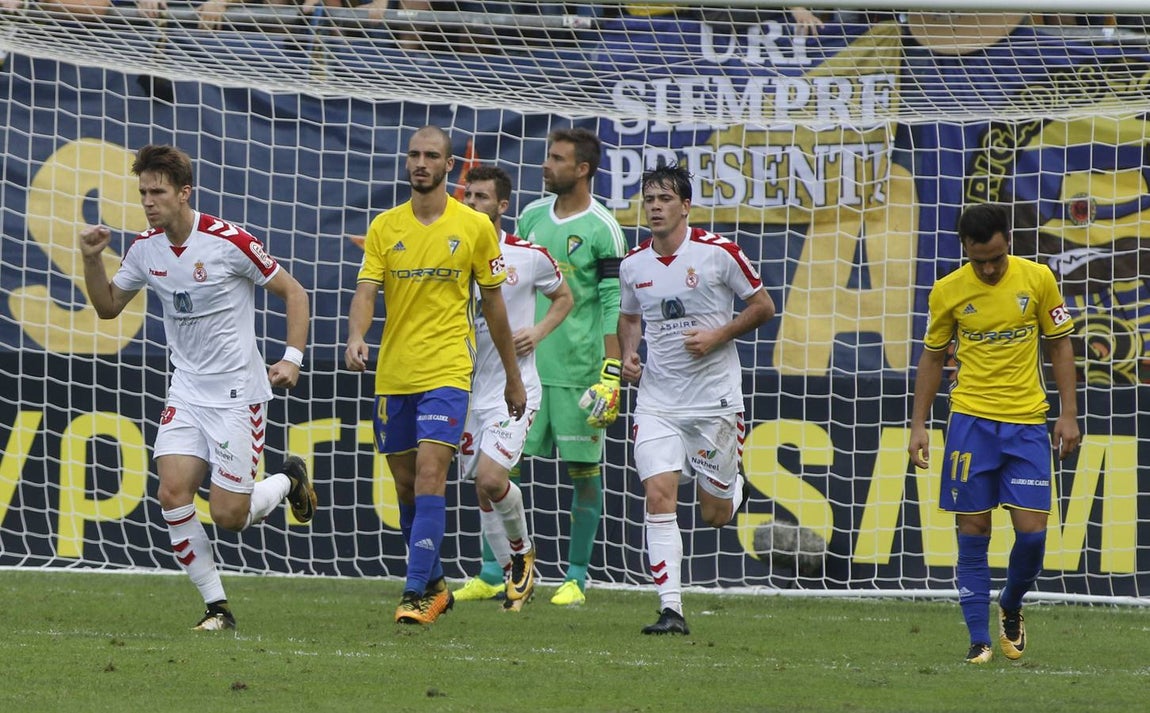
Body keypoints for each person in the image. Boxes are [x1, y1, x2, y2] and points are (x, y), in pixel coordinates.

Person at [78, 143, 317, 631]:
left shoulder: (229, 242)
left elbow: (295, 292)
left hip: (237, 395)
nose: (148, 201)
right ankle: (217, 607)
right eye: (143, 191)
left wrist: (291, 358)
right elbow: (106, 307)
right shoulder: (145, 249)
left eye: (158, 191)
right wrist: (91, 259)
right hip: (186, 391)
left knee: (230, 514)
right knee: (172, 493)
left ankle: (289, 479)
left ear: (184, 192)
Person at [345, 126, 527, 625]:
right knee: (406, 487)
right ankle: (437, 584)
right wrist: (356, 336)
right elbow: (366, 290)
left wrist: (513, 378)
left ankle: (413, 593)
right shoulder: (385, 226)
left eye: (431, 156)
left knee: (431, 475)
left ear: (450, 166)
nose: (420, 163)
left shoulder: (474, 226)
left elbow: (494, 305)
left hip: (449, 368)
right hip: (394, 372)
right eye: (414, 156)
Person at [908, 203, 1081, 664]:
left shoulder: (1038, 279)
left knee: (1031, 535)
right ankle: (978, 639)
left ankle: (1010, 603)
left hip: (1026, 422)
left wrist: (1068, 414)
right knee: (974, 528)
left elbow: (1059, 344)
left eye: (996, 259)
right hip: (969, 423)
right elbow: (931, 357)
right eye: (978, 259)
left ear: (1009, 242)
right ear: (964, 248)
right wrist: (920, 425)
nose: (987, 268)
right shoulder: (947, 291)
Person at [617, 163, 775, 635]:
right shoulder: (633, 265)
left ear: (685, 206)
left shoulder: (719, 253)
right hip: (657, 402)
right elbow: (629, 319)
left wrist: (718, 335)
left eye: (665, 199)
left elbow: (764, 306)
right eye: (649, 199)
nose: (656, 207)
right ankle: (671, 609)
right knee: (658, 494)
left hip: (714, 403)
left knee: (715, 514)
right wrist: (628, 354)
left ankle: (733, 488)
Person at [515, 126, 628, 606]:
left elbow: (611, 301)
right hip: (523, 367)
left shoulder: (604, 227)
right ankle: (495, 569)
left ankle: (576, 577)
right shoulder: (530, 217)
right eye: (548, 156)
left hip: (579, 370)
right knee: (502, 469)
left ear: (582, 169)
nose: (546, 164)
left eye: (558, 159)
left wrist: (611, 368)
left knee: (583, 473)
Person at [453, 165, 574, 608]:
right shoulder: (452, 252)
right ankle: (510, 574)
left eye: (482, 198)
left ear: (503, 206)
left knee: (492, 477)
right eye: (468, 196)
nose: (472, 204)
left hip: (515, 385)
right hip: (464, 388)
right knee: (479, 487)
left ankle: (523, 555)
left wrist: (538, 332)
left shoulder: (529, 255)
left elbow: (565, 298)